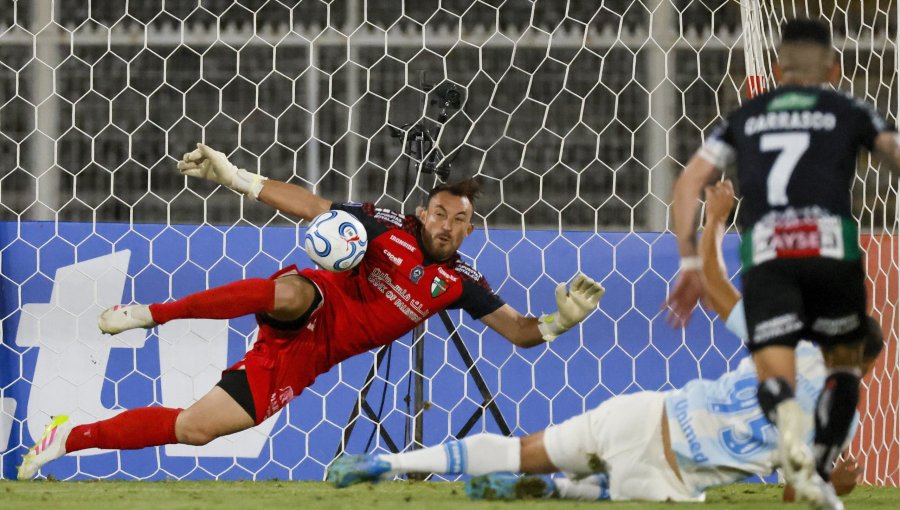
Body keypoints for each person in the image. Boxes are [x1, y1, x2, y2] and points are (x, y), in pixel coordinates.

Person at [17, 144, 604, 480]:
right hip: (313, 302)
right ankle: (151, 312)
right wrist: (236, 176)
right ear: (423, 214)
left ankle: (68, 436)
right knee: (294, 293)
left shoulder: (461, 283)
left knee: (195, 429)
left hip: (305, 359)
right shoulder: (387, 229)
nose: (447, 226)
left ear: (471, 228)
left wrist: (561, 321)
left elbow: (521, 332)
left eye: (459, 220)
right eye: (439, 214)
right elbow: (314, 208)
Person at [326, 182, 883, 503]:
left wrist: (714, 219)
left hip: (645, 415)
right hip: (672, 476)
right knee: (642, 492)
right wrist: (835, 482)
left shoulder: (786, 347)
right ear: (867, 364)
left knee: (523, 450)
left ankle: (389, 462)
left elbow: (714, 284)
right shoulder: (839, 419)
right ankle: (567, 492)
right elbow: (797, 492)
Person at [667, 18, 899, 510]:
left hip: (769, 254)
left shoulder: (745, 116)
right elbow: (894, 154)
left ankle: (788, 423)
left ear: (777, 68)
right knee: (844, 368)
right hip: (832, 251)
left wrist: (690, 261)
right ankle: (815, 470)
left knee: (774, 374)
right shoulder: (851, 109)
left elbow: (688, 184)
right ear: (833, 69)